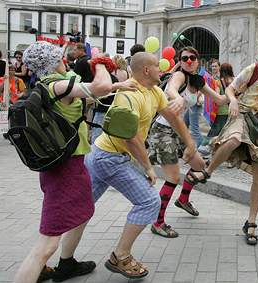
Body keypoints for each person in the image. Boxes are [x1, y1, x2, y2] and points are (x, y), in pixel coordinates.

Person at [84, 52, 198, 279]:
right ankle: (121, 256)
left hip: (105, 155)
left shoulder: (155, 92)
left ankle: (60, 258)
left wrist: (189, 143)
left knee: (81, 208)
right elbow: (131, 136)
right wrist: (147, 167)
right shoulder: (129, 94)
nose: (163, 69)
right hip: (109, 157)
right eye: (157, 66)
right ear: (146, 70)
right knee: (149, 202)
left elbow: (173, 117)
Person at [13, 41, 114, 283]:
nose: (64, 59)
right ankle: (38, 271)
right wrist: (101, 62)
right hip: (64, 170)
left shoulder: (49, 84)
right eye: (59, 57)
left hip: (67, 165)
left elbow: (94, 91)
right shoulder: (57, 85)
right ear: (52, 62)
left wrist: (121, 84)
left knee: (81, 212)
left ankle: (67, 263)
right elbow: (101, 86)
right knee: (46, 245)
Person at [186, 37, 258, 245]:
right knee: (233, 140)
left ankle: (251, 223)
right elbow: (231, 89)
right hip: (243, 114)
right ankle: (207, 172)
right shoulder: (253, 69)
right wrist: (233, 100)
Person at [148, 47, 226, 238]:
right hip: (163, 130)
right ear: (180, 61)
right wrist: (177, 99)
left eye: (193, 58)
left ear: (198, 61)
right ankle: (157, 222)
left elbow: (219, 100)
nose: (189, 61)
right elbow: (171, 88)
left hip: (180, 131)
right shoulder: (180, 76)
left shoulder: (198, 81)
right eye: (185, 58)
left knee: (200, 167)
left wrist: (235, 93)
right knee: (173, 177)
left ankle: (183, 200)